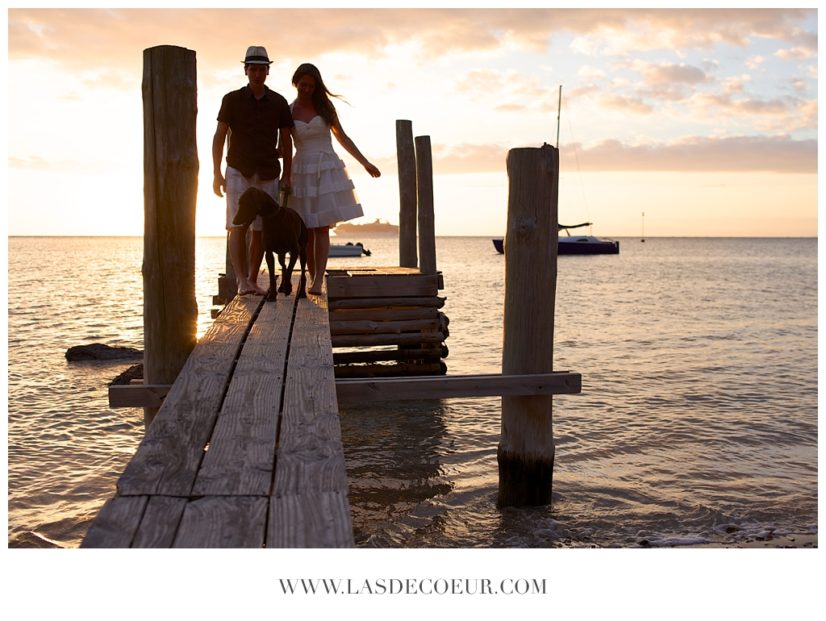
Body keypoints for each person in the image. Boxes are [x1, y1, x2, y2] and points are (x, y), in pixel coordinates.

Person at [288, 62, 381, 295]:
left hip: (326, 166)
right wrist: (283, 174)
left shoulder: (325, 107)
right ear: (296, 84)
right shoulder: (289, 111)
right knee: (306, 230)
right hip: (301, 170)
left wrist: (365, 162)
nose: (307, 89)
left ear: (317, 86)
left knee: (321, 228)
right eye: (302, 85)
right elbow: (283, 147)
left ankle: (319, 278)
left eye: (311, 85)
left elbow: (343, 138)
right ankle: (311, 275)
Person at [212, 46, 294, 295]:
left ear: (268, 71)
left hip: (268, 171)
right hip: (238, 169)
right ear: (246, 70)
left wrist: (287, 176)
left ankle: (252, 278)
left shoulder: (279, 102)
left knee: (261, 229)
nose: (257, 74)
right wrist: (217, 174)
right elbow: (219, 137)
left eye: (262, 69)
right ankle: (240, 281)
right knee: (237, 227)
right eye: (253, 69)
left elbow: (287, 141)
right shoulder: (231, 99)